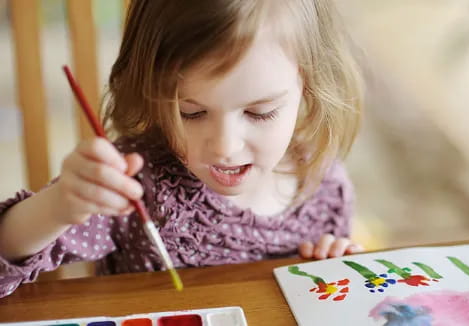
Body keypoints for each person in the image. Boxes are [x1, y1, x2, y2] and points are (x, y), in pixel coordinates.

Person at [0, 0, 363, 298]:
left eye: (259, 112)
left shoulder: (325, 188)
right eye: (191, 112)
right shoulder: (133, 184)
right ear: (150, 90)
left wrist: (339, 270)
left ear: (309, 85)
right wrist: (59, 205)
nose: (224, 147)